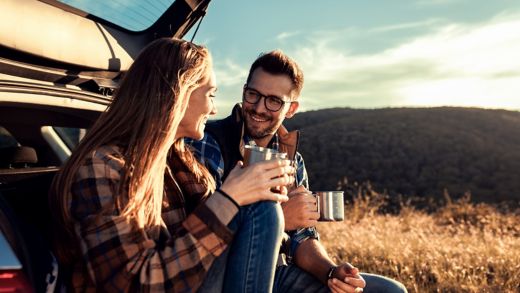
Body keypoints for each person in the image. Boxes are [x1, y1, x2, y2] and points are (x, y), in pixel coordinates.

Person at [49, 38, 296, 292]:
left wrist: (252, 195)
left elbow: (226, 225)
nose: (213, 109)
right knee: (262, 211)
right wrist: (230, 197)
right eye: (211, 95)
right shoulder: (103, 167)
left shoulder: (177, 160)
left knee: (264, 212)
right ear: (179, 95)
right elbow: (134, 285)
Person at [187, 50, 408, 293]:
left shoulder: (293, 160)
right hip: (223, 278)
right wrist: (279, 218)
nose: (259, 108)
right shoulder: (208, 142)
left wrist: (331, 272)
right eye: (253, 94)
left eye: (273, 101)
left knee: (390, 290)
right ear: (244, 91)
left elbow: (303, 238)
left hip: (278, 274)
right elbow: (197, 239)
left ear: (291, 109)